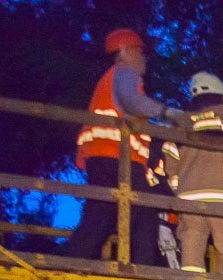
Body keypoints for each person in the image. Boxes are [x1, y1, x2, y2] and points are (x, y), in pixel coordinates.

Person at [64, 28, 188, 266]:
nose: (144, 59)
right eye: (140, 52)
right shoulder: (124, 73)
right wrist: (167, 112)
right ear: (125, 52)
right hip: (117, 159)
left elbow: (130, 110)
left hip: (102, 158)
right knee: (144, 213)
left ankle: (69, 263)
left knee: (100, 215)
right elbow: (132, 102)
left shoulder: (109, 80)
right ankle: (141, 269)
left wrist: (160, 123)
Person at [162, 71, 223, 274]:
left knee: (191, 245)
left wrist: (179, 188)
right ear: (219, 94)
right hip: (222, 196)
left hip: (188, 199)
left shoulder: (181, 122)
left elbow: (169, 162)